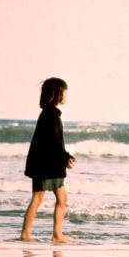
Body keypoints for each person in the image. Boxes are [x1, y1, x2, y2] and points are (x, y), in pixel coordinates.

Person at [20, 77, 76, 243]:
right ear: (58, 94)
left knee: (61, 198)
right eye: (65, 92)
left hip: (48, 165)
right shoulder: (50, 115)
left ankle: (56, 234)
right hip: (46, 166)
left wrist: (64, 157)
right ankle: (27, 234)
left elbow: (54, 141)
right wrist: (65, 157)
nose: (66, 95)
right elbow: (54, 141)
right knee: (38, 198)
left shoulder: (49, 113)